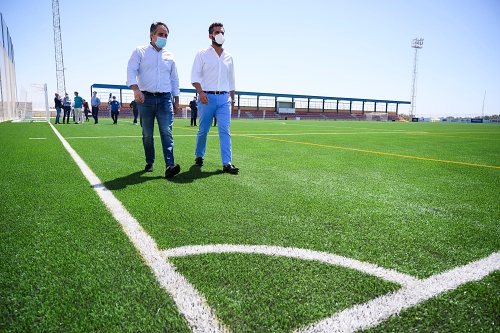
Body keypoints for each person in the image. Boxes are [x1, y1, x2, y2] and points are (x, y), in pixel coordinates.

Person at [126, 21, 181, 178]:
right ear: (152, 35)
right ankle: (150, 161)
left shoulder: (170, 56)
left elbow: (174, 79)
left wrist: (176, 100)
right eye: (161, 34)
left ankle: (170, 164)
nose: (164, 38)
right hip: (146, 99)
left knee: (166, 131)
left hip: (165, 98)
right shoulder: (140, 51)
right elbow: (131, 70)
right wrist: (135, 89)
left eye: (166, 35)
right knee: (147, 133)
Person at [191, 22, 238, 174]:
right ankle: (199, 155)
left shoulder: (229, 57)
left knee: (225, 130)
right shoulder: (202, 54)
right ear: (210, 35)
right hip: (206, 98)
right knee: (203, 130)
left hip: (224, 99)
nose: (220, 35)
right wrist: (201, 92)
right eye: (217, 32)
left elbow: (231, 81)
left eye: (222, 32)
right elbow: (194, 77)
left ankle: (227, 163)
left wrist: (233, 100)